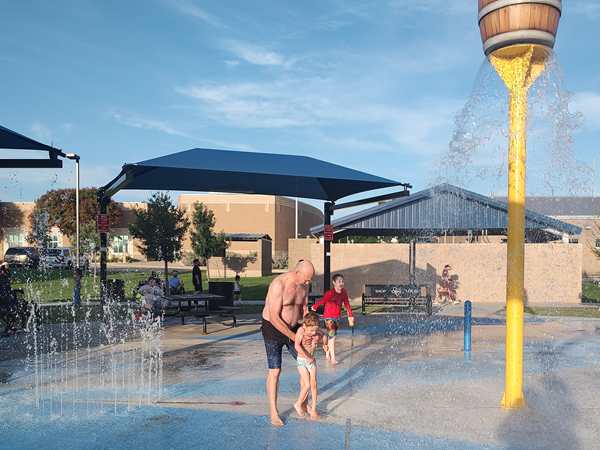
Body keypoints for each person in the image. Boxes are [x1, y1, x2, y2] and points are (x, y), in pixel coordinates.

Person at [262, 259, 315, 427]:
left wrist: (308, 330)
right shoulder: (279, 284)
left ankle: (302, 403)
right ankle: (273, 411)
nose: (308, 283)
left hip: (295, 328)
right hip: (273, 328)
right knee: (275, 371)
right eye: (306, 279)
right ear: (297, 272)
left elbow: (304, 309)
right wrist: (294, 337)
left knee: (307, 364)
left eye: (310, 280)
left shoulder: (304, 286)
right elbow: (274, 317)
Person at [311, 273, 354, 364]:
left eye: (342, 281)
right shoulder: (330, 293)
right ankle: (333, 358)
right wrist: (315, 306)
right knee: (332, 336)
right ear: (334, 282)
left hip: (337, 317)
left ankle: (327, 351)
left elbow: (347, 304)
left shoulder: (344, 292)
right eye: (339, 281)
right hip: (328, 317)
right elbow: (323, 301)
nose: (341, 283)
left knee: (330, 336)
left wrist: (350, 315)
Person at [293, 311, 328, 420]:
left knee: (314, 385)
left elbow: (324, 336)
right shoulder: (301, 331)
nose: (313, 332)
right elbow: (297, 346)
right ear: (304, 326)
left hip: (312, 361)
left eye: (315, 330)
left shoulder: (316, 332)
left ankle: (313, 409)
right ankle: (298, 404)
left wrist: (325, 344)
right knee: (307, 385)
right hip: (302, 361)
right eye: (311, 330)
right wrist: (307, 356)